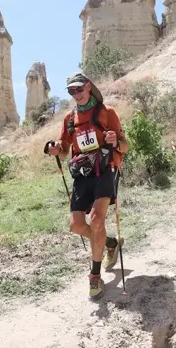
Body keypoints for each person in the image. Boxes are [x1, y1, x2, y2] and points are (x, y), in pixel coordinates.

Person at [48, 72, 129, 300]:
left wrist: (116, 142)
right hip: (82, 173)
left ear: (88, 87)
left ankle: (95, 276)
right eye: (71, 91)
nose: (76, 94)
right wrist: (56, 150)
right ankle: (111, 243)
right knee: (76, 225)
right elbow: (64, 150)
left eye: (79, 89)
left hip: (105, 170)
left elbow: (125, 146)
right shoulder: (69, 118)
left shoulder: (107, 112)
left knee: (96, 220)